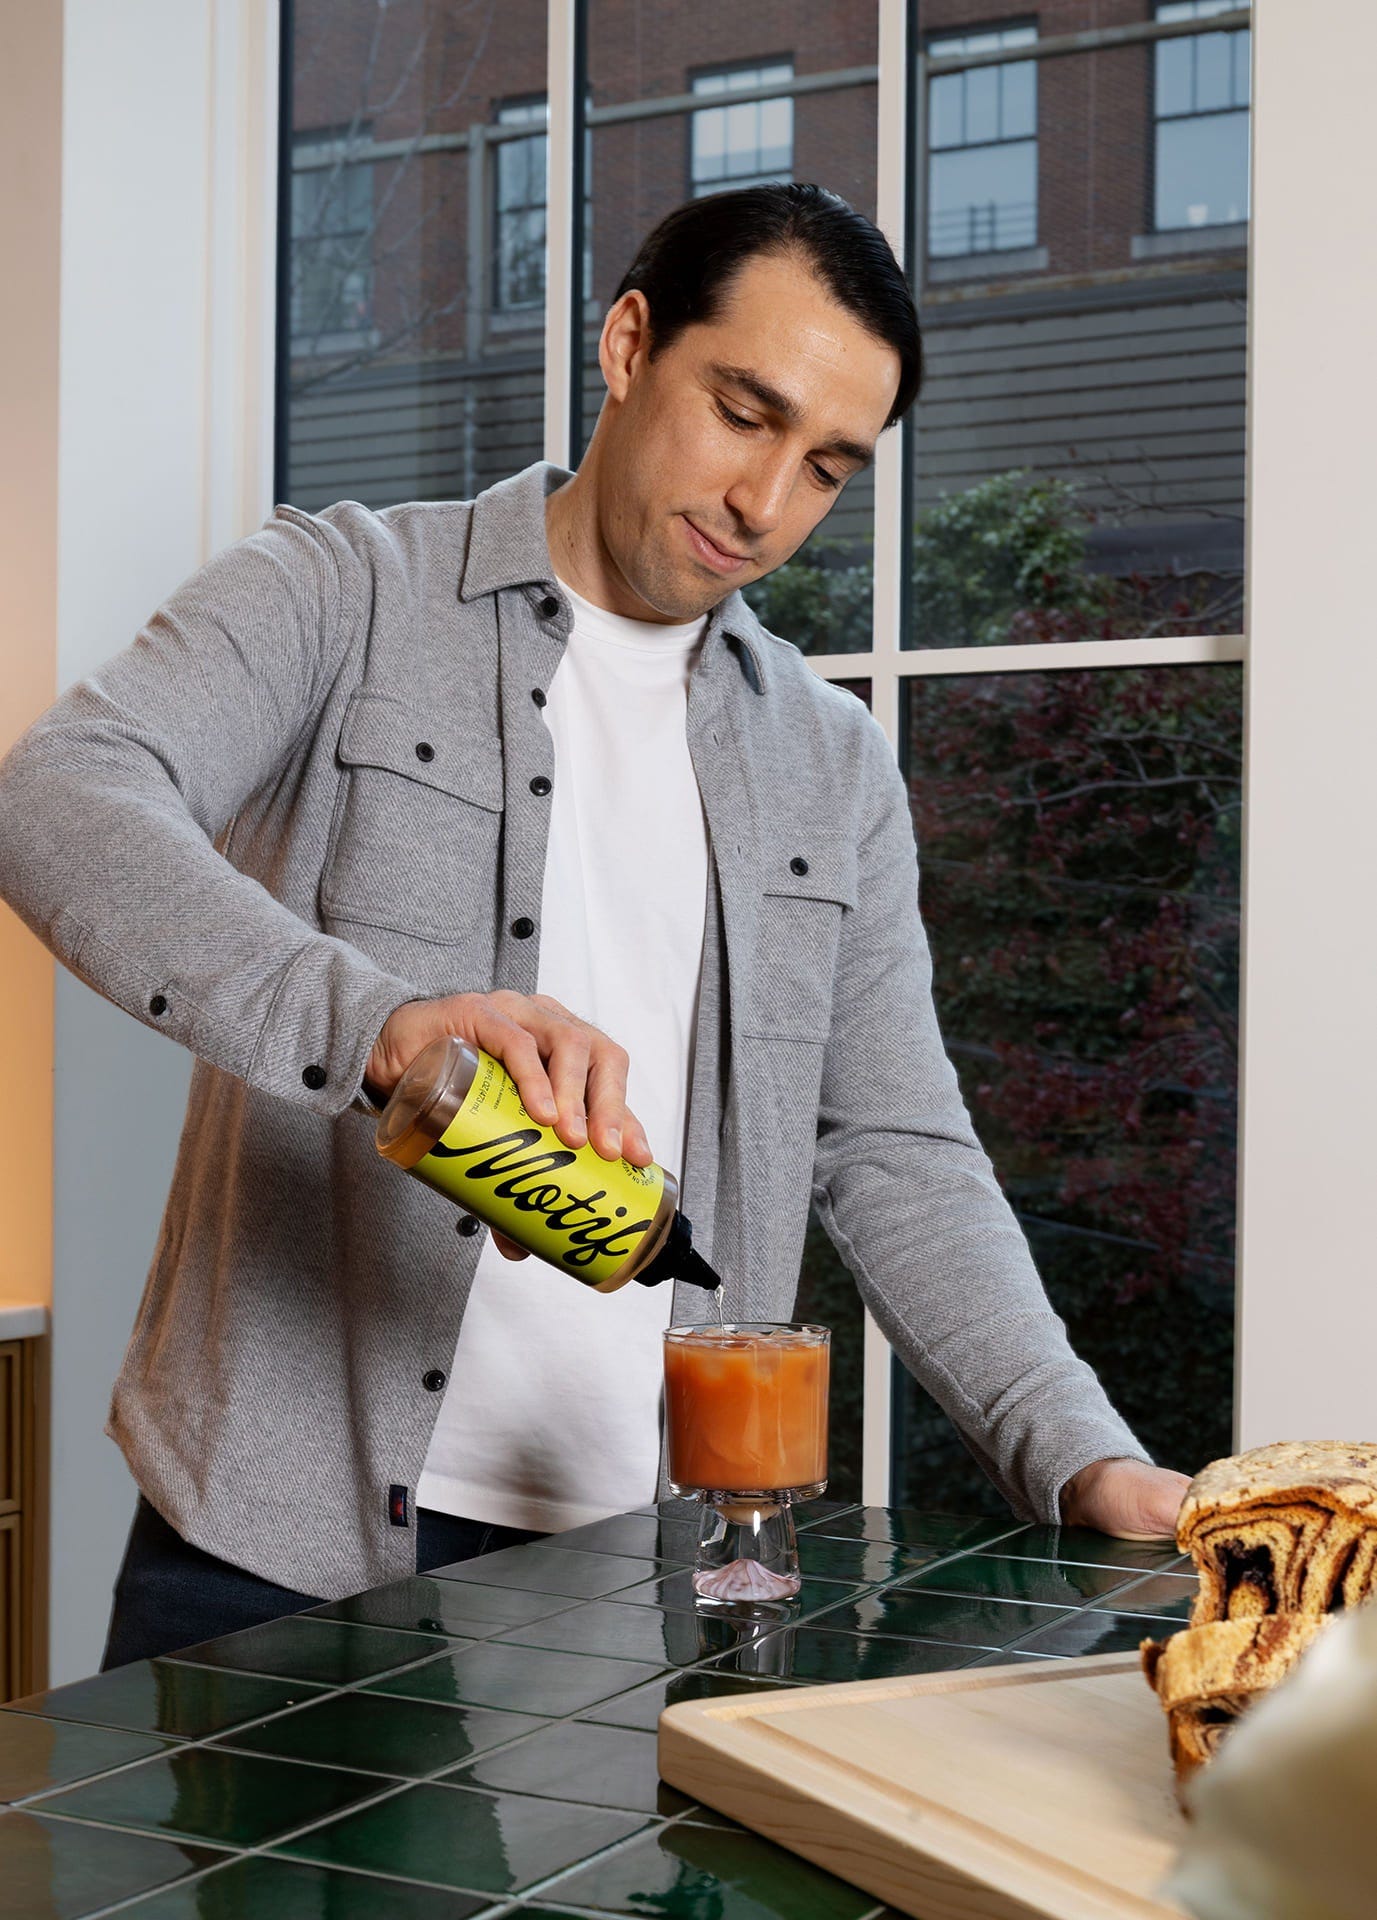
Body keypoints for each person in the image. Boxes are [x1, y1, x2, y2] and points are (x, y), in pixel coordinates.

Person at [0, 185, 1188, 1667]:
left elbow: (896, 1149)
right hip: (275, 1545)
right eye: (742, 413)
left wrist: (1081, 1454)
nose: (766, 502)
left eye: (826, 466)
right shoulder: (345, 590)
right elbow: (58, 795)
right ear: (628, 344)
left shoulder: (831, 762)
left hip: (659, 1562)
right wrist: (374, 1027)